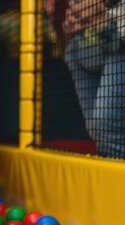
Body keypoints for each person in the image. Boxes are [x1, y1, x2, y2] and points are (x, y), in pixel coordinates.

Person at [57, 0, 125, 158]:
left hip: (119, 42)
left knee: (107, 126)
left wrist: (103, 8)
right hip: (97, 37)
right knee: (96, 129)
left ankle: (114, 174)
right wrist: (77, 17)